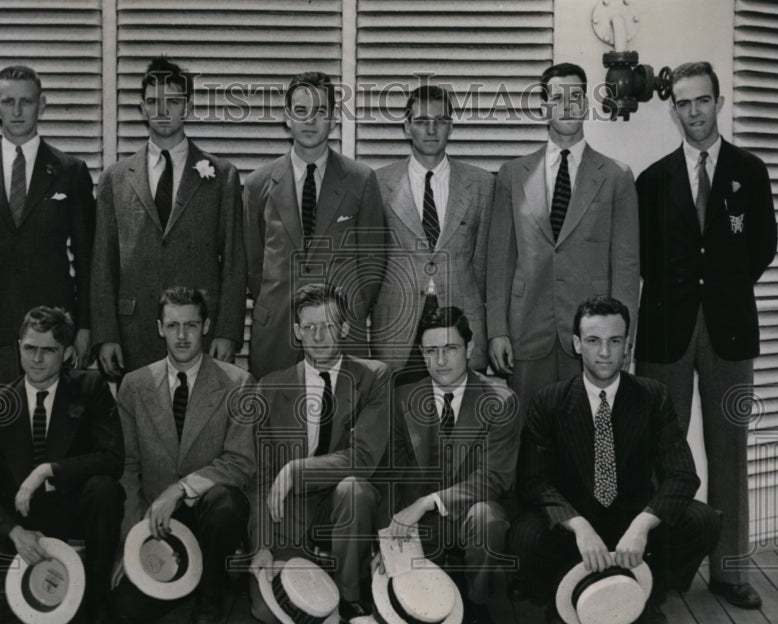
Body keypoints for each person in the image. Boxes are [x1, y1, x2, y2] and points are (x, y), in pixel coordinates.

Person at [635, 61, 777, 610]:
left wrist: (720, 291)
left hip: (729, 331)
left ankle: (730, 571)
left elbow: (760, 248)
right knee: (659, 456)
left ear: (720, 101)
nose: (693, 112)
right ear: (673, 110)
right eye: (684, 104)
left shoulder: (750, 171)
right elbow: (644, 257)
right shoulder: (654, 179)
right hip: (665, 330)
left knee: (729, 451)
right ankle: (658, 567)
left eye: (702, 101)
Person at [509, 296, 720, 624]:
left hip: (631, 526)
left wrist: (642, 525)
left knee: (703, 521)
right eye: (593, 340)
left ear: (628, 346)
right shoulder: (549, 401)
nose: (604, 352)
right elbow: (533, 481)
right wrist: (577, 526)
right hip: (575, 527)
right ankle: (566, 590)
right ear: (577, 344)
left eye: (615, 341)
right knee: (524, 536)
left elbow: (682, 475)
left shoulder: (654, 396)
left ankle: (647, 596)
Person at [487, 62, 639, 412]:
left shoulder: (616, 176)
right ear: (544, 107)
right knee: (531, 440)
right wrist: (497, 330)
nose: (567, 106)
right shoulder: (513, 175)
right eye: (557, 98)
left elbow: (627, 267)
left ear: (586, 104)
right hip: (527, 330)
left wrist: (622, 338)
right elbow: (499, 262)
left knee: (589, 438)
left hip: (593, 335)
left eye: (575, 97)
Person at [0, 306, 124, 624]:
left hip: (73, 515)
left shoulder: (90, 387)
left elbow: (113, 458)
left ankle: (98, 596)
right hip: (22, 525)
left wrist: (48, 470)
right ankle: (62, 578)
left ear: (67, 353)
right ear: (18, 346)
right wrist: (14, 533)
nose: (37, 359)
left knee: (105, 488)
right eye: (29, 348)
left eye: (48, 350)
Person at [250, 284, 392, 624]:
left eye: (327, 326)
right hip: (288, 512)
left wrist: (297, 470)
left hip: (345, 507)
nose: (318, 335)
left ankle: (350, 596)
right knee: (269, 614)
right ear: (297, 332)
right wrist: (262, 543)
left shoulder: (375, 377)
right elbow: (259, 475)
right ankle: (309, 573)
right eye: (309, 327)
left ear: (344, 327)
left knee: (354, 488)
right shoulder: (270, 387)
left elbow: (364, 457)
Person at [91, 57, 247, 377]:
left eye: (172, 102)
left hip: (199, 329)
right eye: (153, 102)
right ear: (141, 108)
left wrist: (227, 331)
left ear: (187, 107)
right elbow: (102, 264)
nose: (163, 111)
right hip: (134, 330)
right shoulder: (116, 178)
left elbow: (234, 261)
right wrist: (106, 335)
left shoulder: (222, 176)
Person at [0, 65, 95, 388]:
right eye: (8, 101)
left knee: (52, 429)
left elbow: (87, 259)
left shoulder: (71, 171)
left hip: (54, 329)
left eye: (26, 102)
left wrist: (85, 327)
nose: (17, 111)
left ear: (41, 105)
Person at [113, 286, 255, 624]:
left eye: (191, 326)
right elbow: (127, 468)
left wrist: (178, 490)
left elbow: (240, 462)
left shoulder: (238, 383)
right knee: (126, 611)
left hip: (207, 515)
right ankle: (186, 579)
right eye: (173, 325)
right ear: (160, 328)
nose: (182, 335)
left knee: (227, 500)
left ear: (205, 327)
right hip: (157, 524)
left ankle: (212, 591)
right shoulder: (134, 385)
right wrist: (132, 541)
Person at [380, 306, 520, 624]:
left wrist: (430, 501)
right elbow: (390, 473)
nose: (441, 360)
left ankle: (477, 604)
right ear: (421, 353)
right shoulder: (402, 398)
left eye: (451, 349)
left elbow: (495, 478)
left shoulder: (501, 401)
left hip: (473, 512)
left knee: (487, 518)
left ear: (470, 350)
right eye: (431, 351)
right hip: (419, 523)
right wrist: (384, 539)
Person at [243, 71, 385, 379]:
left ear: (333, 119)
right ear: (287, 118)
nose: (310, 121)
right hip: (278, 329)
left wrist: (351, 310)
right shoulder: (258, 184)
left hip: (341, 327)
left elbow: (373, 262)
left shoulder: (361, 180)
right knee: (277, 419)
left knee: (344, 417)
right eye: (301, 111)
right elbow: (253, 265)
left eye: (320, 111)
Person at [371, 85, 494, 381]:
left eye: (440, 120)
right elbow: (372, 263)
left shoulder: (481, 184)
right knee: (402, 413)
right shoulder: (378, 183)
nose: (431, 129)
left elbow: (485, 266)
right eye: (422, 120)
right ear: (406, 125)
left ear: (450, 126)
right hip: (399, 326)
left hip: (460, 320)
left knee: (459, 416)